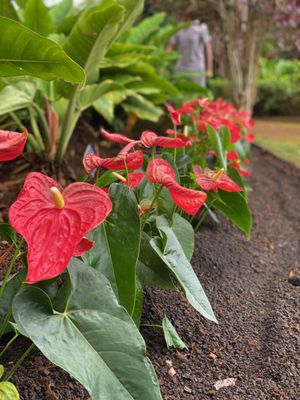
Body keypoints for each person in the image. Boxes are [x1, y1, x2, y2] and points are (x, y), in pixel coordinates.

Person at [167, 18, 213, 87]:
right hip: (181, 68)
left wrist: (209, 68)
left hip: (197, 68)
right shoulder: (179, 27)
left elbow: (208, 48)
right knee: (178, 93)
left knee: (199, 94)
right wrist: (164, 63)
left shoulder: (201, 27)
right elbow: (170, 46)